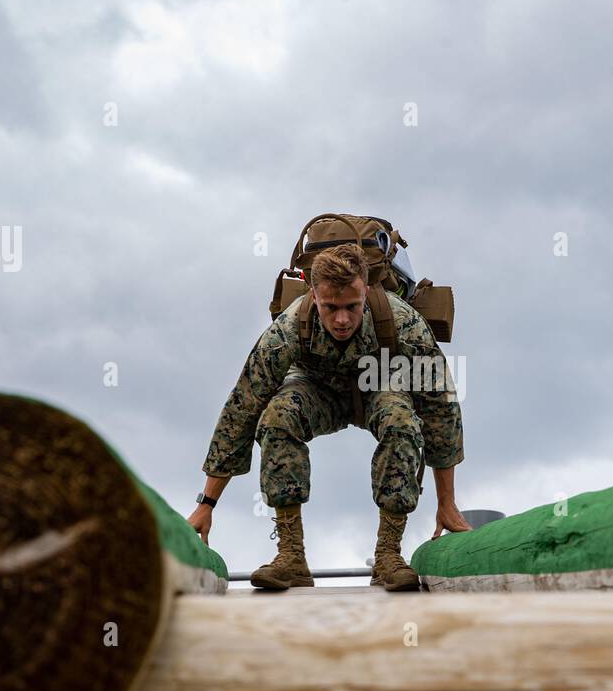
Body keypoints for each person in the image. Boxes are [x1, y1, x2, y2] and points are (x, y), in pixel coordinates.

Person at [187, 242, 470, 590]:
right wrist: (207, 504)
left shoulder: (404, 324)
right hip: (316, 390)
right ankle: (291, 556)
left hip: (378, 385)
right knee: (277, 417)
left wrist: (447, 503)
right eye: (330, 307)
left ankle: (388, 555)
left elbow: (440, 408)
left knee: (402, 422)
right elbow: (242, 407)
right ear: (313, 295)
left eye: (352, 307)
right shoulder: (287, 330)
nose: (341, 319)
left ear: (365, 291)